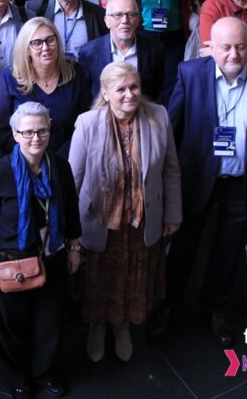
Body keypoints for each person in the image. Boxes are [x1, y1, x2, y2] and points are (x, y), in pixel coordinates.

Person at [165, 17, 247, 345]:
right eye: (225, 47)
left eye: (241, 46)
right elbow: (171, 133)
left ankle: (215, 309)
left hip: (244, 183)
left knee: (229, 251)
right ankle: (168, 306)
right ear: (210, 47)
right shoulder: (189, 74)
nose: (234, 54)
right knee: (183, 247)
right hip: (196, 180)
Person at [70, 61, 181, 361]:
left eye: (134, 87)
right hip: (100, 223)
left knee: (132, 279)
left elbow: (171, 169)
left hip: (142, 221)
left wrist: (173, 214)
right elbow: (73, 180)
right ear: (105, 93)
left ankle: (121, 327)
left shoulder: (158, 115)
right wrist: (70, 233)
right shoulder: (87, 123)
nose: (129, 94)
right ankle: (96, 327)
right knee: (98, 280)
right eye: (120, 89)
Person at [0, 101, 82, 398]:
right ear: (15, 134)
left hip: (52, 256)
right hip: (12, 264)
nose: (36, 138)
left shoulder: (59, 166)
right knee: (11, 328)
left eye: (42, 131)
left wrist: (74, 247)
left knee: (50, 323)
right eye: (29, 132)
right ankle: (17, 379)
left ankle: (46, 372)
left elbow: (71, 210)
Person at [0, 17, 91, 155]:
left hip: (69, 158)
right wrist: (33, 158)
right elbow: (2, 131)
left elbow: (84, 123)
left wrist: (57, 161)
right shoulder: (9, 78)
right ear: (27, 49)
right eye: (37, 43)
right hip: (23, 161)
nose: (45, 48)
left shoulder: (76, 73)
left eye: (50, 40)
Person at [78, 0, 169, 104]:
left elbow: (159, 89)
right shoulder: (88, 52)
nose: (125, 20)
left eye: (131, 15)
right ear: (107, 21)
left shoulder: (155, 50)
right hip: (103, 116)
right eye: (118, 15)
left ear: (138, 20)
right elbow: (85, 95)